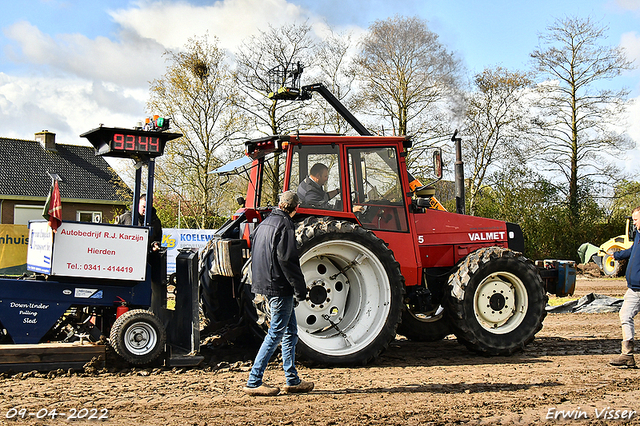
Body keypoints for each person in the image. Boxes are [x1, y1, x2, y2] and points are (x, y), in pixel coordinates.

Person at [244, 191, 314, 396]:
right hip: (279, 287)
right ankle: (253, 380)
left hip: (264, 284)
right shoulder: (285, 225)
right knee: (275, 333)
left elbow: (254, 254)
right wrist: (300, 289)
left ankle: (292, 380)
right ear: (295, 208)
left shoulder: (264, 224)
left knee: (291, 331)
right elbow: (288, 260)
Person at [609, 206, 640, 368]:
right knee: (625, 314)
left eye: (636, 220)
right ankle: (627, 354)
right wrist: (616, 255)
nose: (634, 224)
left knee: (626, 315)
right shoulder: (639, 237)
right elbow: (633, 251)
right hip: (634, 288)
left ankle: (627, 354)